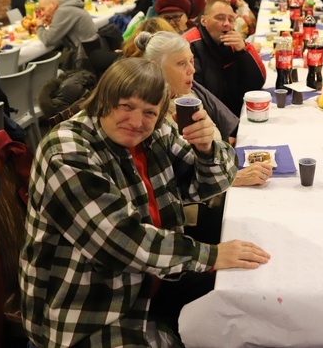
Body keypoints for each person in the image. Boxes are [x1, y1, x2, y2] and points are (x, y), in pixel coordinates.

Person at [20, 58, 270, 347]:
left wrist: (207, 147)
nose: (137, 121)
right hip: (90, 310)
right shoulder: (66, 151)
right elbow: (121, 241)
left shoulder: (154, 132)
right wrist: (211, 256)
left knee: (254, 294)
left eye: (149, 112)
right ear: (103, 100)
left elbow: (212, 184)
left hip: (154, 280)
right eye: (126, 106)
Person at [136, 31, 243, 148]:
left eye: (191, 61)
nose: (192, 70)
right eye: (182, 63)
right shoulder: (150, 117)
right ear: (155, 67)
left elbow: (217, 141)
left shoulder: (189, 94)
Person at [183, 0, 266, 116]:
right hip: (209, 119)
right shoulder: (189, 45)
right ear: (203, 21)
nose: (227, 23)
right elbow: (197, 96)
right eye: (220, 18)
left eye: (231, 20)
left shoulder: (233, 42)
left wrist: (242, 51)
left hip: (233, 113)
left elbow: (256, 84)